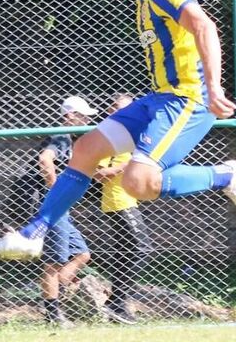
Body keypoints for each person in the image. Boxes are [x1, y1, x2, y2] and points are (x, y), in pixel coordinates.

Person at [0, 0, 236, 263]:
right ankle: (32, 234)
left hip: (188, 99)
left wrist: (213, 85)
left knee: (137, 182)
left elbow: (204, 25)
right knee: (85, 150)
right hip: (159, 99)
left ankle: (227, 175)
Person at [94, 93, 153, 325]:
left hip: (128, 198)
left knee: (127, 252)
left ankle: (116, 304)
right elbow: (100, 172)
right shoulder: (109, 137)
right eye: (118, 108)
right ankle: (116, 302)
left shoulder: (132, 134)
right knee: (141, 249)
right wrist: (132, 163)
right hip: (118, 200)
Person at [37, 95, 93, 326]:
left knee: (82, 254)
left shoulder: (70, 140)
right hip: (52, 206)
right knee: (54, 261)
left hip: (60, 208)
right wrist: (56, 193)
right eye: (82, 116)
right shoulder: (60, 136)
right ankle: (53, 314)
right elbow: (45, 160)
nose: (86, 120)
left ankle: (53, 296)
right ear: (69, 116)